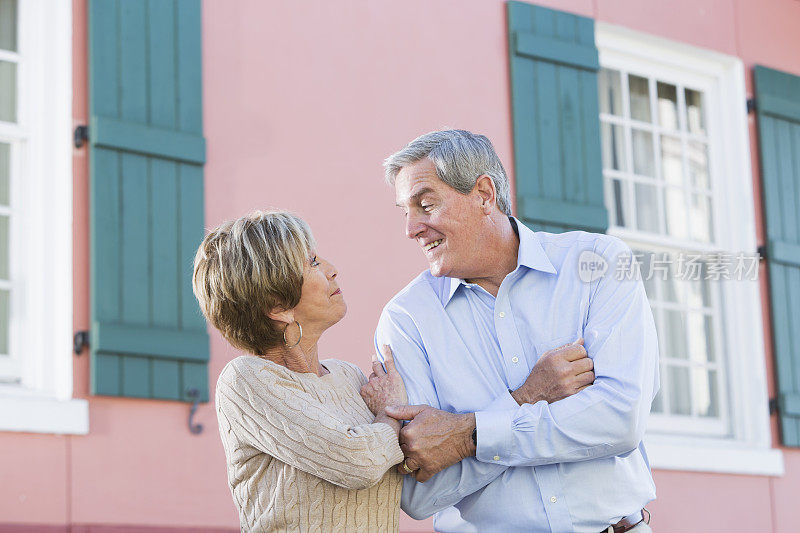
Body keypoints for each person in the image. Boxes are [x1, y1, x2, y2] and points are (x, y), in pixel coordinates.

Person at [374, 129, 659, 533]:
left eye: (425, 205)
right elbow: (420, 494)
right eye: (405, 211)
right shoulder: (406, 321)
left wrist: (466, 435)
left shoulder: (600, 264)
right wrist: (527, 398)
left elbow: (619, 420)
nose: (411, 228)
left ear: (485, 195)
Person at [192, 211, 411, 532]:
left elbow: (407, 458)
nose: (333, 270)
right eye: (313, 263)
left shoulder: (348, 376)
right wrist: (392, 412)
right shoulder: (245, 381)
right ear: (277, 305)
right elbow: (358, 462)